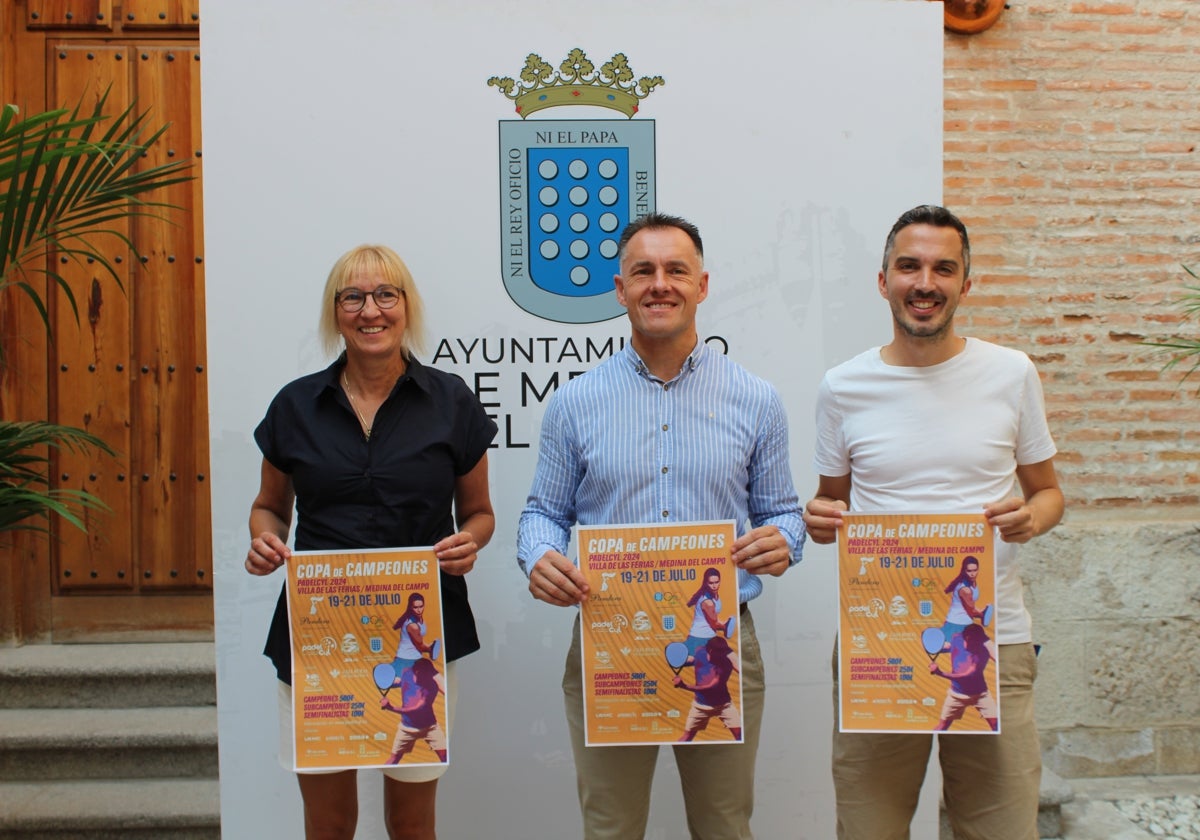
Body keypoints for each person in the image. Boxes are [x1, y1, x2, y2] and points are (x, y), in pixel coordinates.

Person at [517, 212, 804, 840]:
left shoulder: (756, 399)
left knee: (724, 825)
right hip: (609, 641)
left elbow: (784, 510)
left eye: (677, 270)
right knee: (611, 826)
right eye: (642, 271)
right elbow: (543, 512)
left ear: (703, 285)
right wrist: (537, 554)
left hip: (721, 642)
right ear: (619, 289)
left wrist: (786, 540)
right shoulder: (575, 402)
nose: (660, 284)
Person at [802, 205, 1064, 840]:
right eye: (909, 266)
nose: (926, 283)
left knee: (999, 828)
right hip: (879, 638)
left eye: (944, 268)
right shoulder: (843, 386)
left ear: (966, 283)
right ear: (883, 279)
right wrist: (818, 518)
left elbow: (1050, 493)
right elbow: (828, 503)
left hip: (993, 638)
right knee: (870, 827)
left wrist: (1030, 517)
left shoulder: (1011, 373)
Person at [244, 244, 497, 840]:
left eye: (386, 295)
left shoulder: (451, 401)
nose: (370, 310)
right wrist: (264, 541)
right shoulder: (295, 406)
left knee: (412, 822)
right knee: (328, 824)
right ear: (336, 312)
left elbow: (480, 513)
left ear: (407, 307)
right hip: (319, 637)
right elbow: (268, 509)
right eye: (353, 297)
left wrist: (469, 542)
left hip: (421, 635)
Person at [929, 624, 997, 732]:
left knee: (996, 726)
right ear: (964, 637)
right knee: (942, 727)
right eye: (968, 641)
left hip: (980, 695)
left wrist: (939, 672)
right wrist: (935, 647)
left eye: (974, 643)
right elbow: (952, 647)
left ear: (979, 641)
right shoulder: (956, 638)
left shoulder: (982, 653)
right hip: (956, 695)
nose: (970, 645)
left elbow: (966, 676)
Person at [673, 636, 742, 742]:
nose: (718, 658)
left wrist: (684, 685)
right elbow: (694, 660)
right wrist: (680, 660)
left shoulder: (725, 664)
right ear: (709, 650)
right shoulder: (700, 651)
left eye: (721, 655)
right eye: (716, 654)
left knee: (740, 737)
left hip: (724, 706)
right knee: (686, 737)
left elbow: (709, 688)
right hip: (699, 707)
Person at [381, 658, 448, 763]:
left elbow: (415, 710)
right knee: (393, 759)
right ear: (415, 671)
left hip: (430, 728)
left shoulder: (431, 687)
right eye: (420, 675)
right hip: (406, 728)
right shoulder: (407, 672)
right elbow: (400, 682)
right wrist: (390, 682)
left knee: (445, 757)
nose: (422, 679)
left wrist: (390, 707)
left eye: (426, 676)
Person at [941, 555, 985, 643]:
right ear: (964, 571)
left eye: (975, 570)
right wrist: (983, 613)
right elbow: (971, 611)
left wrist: (981, 612)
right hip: (956, 625)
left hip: (966, 623)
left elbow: (969, 607)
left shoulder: (972, 582)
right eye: (969, 571)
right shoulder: (965, 590)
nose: (972, 574)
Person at [684, 567, 726, 655]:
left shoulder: (715, 596)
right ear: (706, 583)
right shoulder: (707, 602)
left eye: (716, 582)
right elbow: (714, 624)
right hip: (699, 638)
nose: (714, 586)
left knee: (724, 660)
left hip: (710, 637)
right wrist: (726, 626)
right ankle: (679, 653)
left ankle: (682, 653)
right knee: (693, 660)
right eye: (711, 583)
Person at [393, 593, 432, 674]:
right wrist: (431, 648)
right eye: (415, 607)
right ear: (411, 607)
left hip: (416, 657)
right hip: (405, 659)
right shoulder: (412, 625)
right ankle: (385, 675)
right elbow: (420, 646)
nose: (419, 610)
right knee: (399, 682)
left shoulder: (420, 620)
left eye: (421, 606)